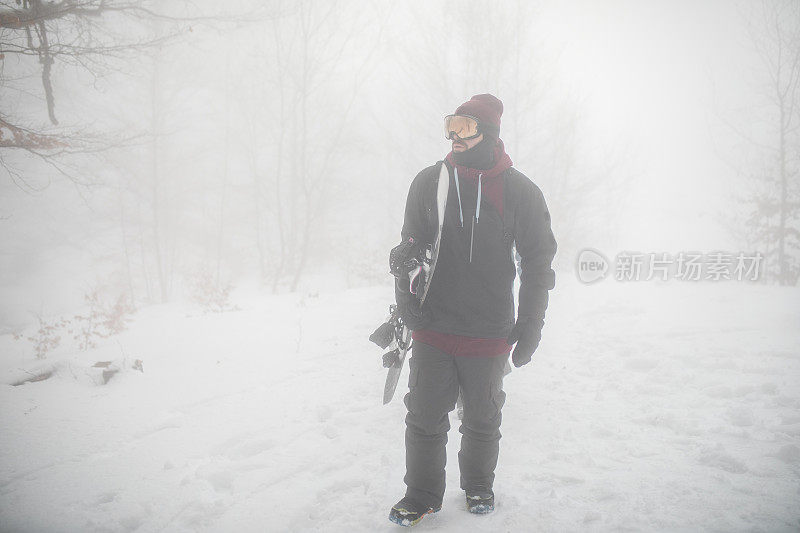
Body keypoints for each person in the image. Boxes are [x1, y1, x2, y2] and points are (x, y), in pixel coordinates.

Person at [388, 94, 557, 527]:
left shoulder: (520, 191)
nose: (452, 136)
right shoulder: (430, 182)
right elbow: (412, 244)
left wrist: (532, 321)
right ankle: (421, 495)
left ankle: (479, 484)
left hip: (488, 328)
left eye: (463, 127)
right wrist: (405, 294)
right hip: (433, 324)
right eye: (449, 124)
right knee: (424, 415)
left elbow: (539, 262)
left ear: (489, 133)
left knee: (482, 418)